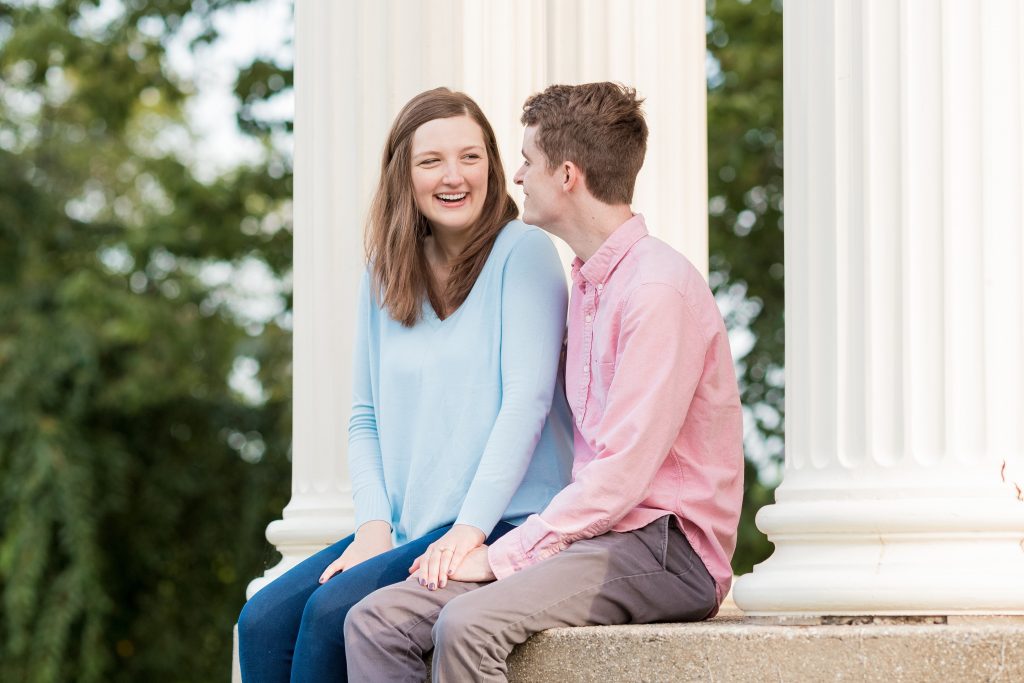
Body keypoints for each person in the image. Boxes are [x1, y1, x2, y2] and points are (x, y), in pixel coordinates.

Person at [344, 82, 744, 682]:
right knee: (377, 621)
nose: (517, 178)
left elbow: (621, 478)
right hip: (593, 536)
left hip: (665, 548)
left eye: (527, 161)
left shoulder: (656, 291)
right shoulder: (585, 285)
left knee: (467, 624)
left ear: (566, 175)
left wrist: (500, 554)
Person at [236, 87, 573, 683]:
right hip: (410, 529)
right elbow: (364, 416)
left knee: (330, 614)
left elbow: (528, 402)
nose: (454, 176)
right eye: (431, 161)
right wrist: (371, 527)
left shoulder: (522, 253)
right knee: (260, 621)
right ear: (404, 174)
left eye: (471, 157)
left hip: (500, 519)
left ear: (493, 167)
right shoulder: (386, 271)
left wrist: (468, 532)